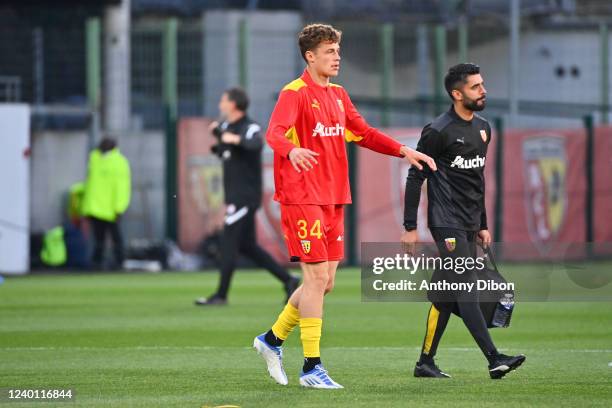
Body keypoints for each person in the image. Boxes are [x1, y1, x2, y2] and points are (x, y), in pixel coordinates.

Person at [252, 24, 436, 389]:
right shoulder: (295, 93)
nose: (337, 57)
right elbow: (273, 133)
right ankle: (311, 367)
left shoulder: (338, 95)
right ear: (310, 56)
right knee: (316, 278)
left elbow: (363, 133)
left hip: (334, 196)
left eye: (337, 50)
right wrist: (292, 149)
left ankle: (271, 340)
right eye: (329, 51)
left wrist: (404, 149)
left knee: (326, 282)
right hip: (302, 196)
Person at [402, 63, 526, 379]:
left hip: (469, 222)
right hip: (446, 222)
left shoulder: (484, 127)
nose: (483, 90)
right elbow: (415, 177)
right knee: (465, 288)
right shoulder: (438, 131)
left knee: (445, 294)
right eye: (475, 86)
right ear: (457, 94)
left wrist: (482, 223)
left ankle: (425, 363)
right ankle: (494, 359)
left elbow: (476, 180)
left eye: (482, 84)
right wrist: (410, 228)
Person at [195, 87, 300, 306]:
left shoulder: (249, 127)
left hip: (244, 197)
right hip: (234, 196)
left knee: (227, 243)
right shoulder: (226, 127)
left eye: (223, 100)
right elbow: (221, 149)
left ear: (233, 104)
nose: (220, 104)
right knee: (248, 246)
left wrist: (228, 137)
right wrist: (220, 137)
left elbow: (254, 144)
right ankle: (289, 280)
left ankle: (221, 295)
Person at [82, 137, 131, 269]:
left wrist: (119, 207)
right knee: (98, 238)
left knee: (115, 237)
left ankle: (119, 261)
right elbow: (90, 185)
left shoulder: (119, 162)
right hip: (95, 207)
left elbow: (122, 187)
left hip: (111, 209)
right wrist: (86, 207)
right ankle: (97, 263)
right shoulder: (94, 158)